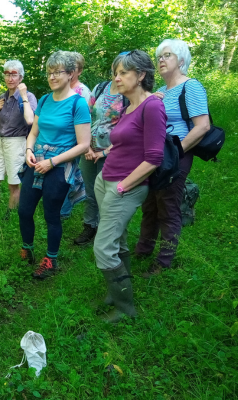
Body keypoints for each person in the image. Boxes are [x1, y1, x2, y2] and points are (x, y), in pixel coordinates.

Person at [93, 50, 166, 323]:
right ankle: (116, 293)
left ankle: (125, 308)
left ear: (141, 75)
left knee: (102, 248)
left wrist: (123, 186)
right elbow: (124, 143)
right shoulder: (129, 105)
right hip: (106, 179)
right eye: (116, 72)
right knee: (118, 239)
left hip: (126, 186)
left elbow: (154, 158)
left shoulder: (152, 106)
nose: (117, 78)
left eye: (123, 72)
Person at [135, 39, 210, 277]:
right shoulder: (162, 91)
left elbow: (202, 126)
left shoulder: (192, 87)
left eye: (167, 55)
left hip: (176, 154)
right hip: (154, 155)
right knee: (149, 204)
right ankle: (143, 250)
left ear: (181, 60)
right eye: (159, 56)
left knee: (168, 205)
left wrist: (176, 153)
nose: (161, 60)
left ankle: (164, 261)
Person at [19, 50, 91, 279]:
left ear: (70, 74)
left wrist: (52, 162)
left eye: (57, 72)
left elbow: (84, 144)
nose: (52, 77)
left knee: (51, 214)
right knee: (24, 210)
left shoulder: (78, 104)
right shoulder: (44, 100)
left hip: (60, 165)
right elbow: (33, 132)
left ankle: (51, 260)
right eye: (49, 73)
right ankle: (27, 249)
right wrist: (29, 150)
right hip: (37, 160)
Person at [73, 53, 129, 246]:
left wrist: (103, 153)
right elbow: (86, 116)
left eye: (124, 70)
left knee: (107, 194)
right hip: (88, 148)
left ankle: (107, 232)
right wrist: (87, 146)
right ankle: (90, 225)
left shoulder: (128, 95)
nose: (118, 74)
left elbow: (129, 128)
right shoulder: (101, 87)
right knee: (89, 190)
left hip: (112, 152)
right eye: (117, 69)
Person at [0, 60, 37, 220]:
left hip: (17, 142)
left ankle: (9, 217)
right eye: (7, 74)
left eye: (14, 74)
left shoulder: (28, 97)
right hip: (0, 141)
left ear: (21, 77)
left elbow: (31, 121)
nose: (10, 78)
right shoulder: (2, 97)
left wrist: (23, 96)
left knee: (13, 184)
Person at [60, 51, 93, 219]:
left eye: (74, 68)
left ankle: (63, 212)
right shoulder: (59, 88)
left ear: (79, 71)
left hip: (74, 142)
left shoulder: (83, 92)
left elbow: (86, 121)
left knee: (68, 177)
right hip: (58, 141)